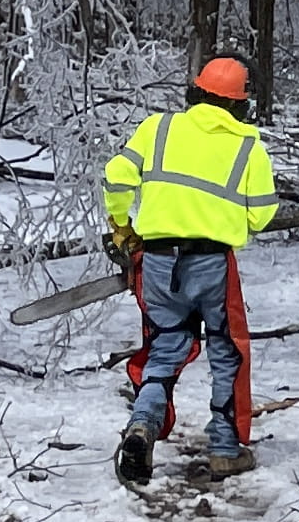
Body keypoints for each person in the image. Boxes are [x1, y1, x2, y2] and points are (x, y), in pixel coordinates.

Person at [103, 56, 279, 489]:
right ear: (240, 105)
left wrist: (123, 227)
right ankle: (224, 449)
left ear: (196, 92)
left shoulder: (157, 128)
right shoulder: (248, 146)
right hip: (213, 264)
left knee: (164, 350)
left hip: (159, 262)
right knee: (226, 353)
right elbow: (261, 214)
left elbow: (116, 176)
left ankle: (142, 424)